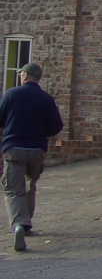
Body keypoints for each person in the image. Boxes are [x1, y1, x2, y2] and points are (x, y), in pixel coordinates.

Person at [0, 62, 64, 252]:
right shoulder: (46, 99)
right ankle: (26, 224)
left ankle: (19, 224)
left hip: (14, 148)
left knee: (12, 188)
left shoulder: (11, 94)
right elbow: (56, 126)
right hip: (37, 149)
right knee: (30, 183)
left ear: (25, 76)